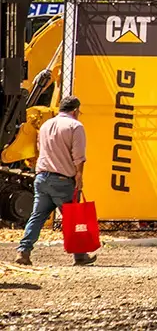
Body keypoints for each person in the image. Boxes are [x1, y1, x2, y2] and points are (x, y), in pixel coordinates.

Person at [15, 96, 96, 266]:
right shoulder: (75, 126)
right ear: (75, 110)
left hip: (42, 177)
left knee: (37, 216)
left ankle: (24, 251)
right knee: (73, 218)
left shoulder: (46, 125)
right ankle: (80, 256)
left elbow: (39, 148)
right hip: (62, 180)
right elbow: (79, 156)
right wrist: (79, 177)